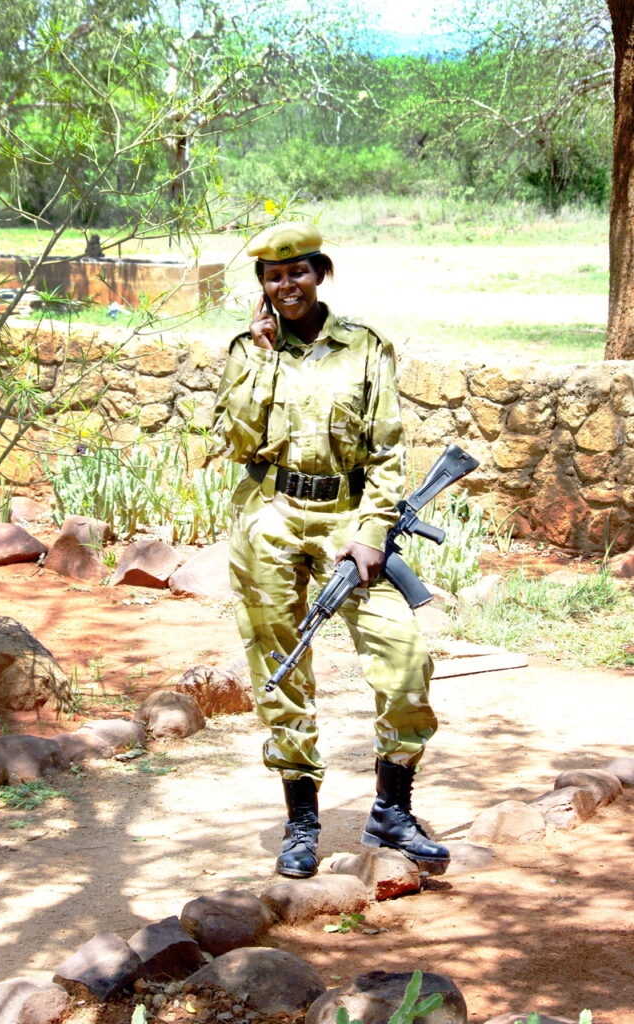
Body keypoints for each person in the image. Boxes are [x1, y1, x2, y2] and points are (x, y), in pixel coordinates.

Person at [212, 221, 449, 879]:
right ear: (263, 286)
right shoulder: (246, 350)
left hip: (348, 514)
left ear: (320, 273)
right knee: (279, 666)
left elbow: (389, 450)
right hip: (269, 515)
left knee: (404, 652)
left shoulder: (365, 348)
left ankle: (392, 810)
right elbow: (241, 440)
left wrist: (372, 534)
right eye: (273, 275)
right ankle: (301, 822)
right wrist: (260, 357)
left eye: (297, 272)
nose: (286, 285)